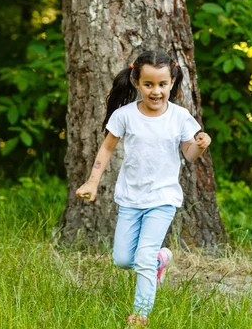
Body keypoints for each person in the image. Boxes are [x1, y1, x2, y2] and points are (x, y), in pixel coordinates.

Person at [75, 50, 211, 327]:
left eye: (162, 84)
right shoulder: (125, 116)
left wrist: (198, 146)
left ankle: (141, 314)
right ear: (137, 81)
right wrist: (92, 181)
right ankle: (162, 259)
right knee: (124, 260)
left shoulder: (180, 116)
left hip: (163, 197)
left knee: (143, 257)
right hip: (131, 197)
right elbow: (106, 148)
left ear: (171, 83)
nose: (156, 91)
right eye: (149, 84)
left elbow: (188, 154)